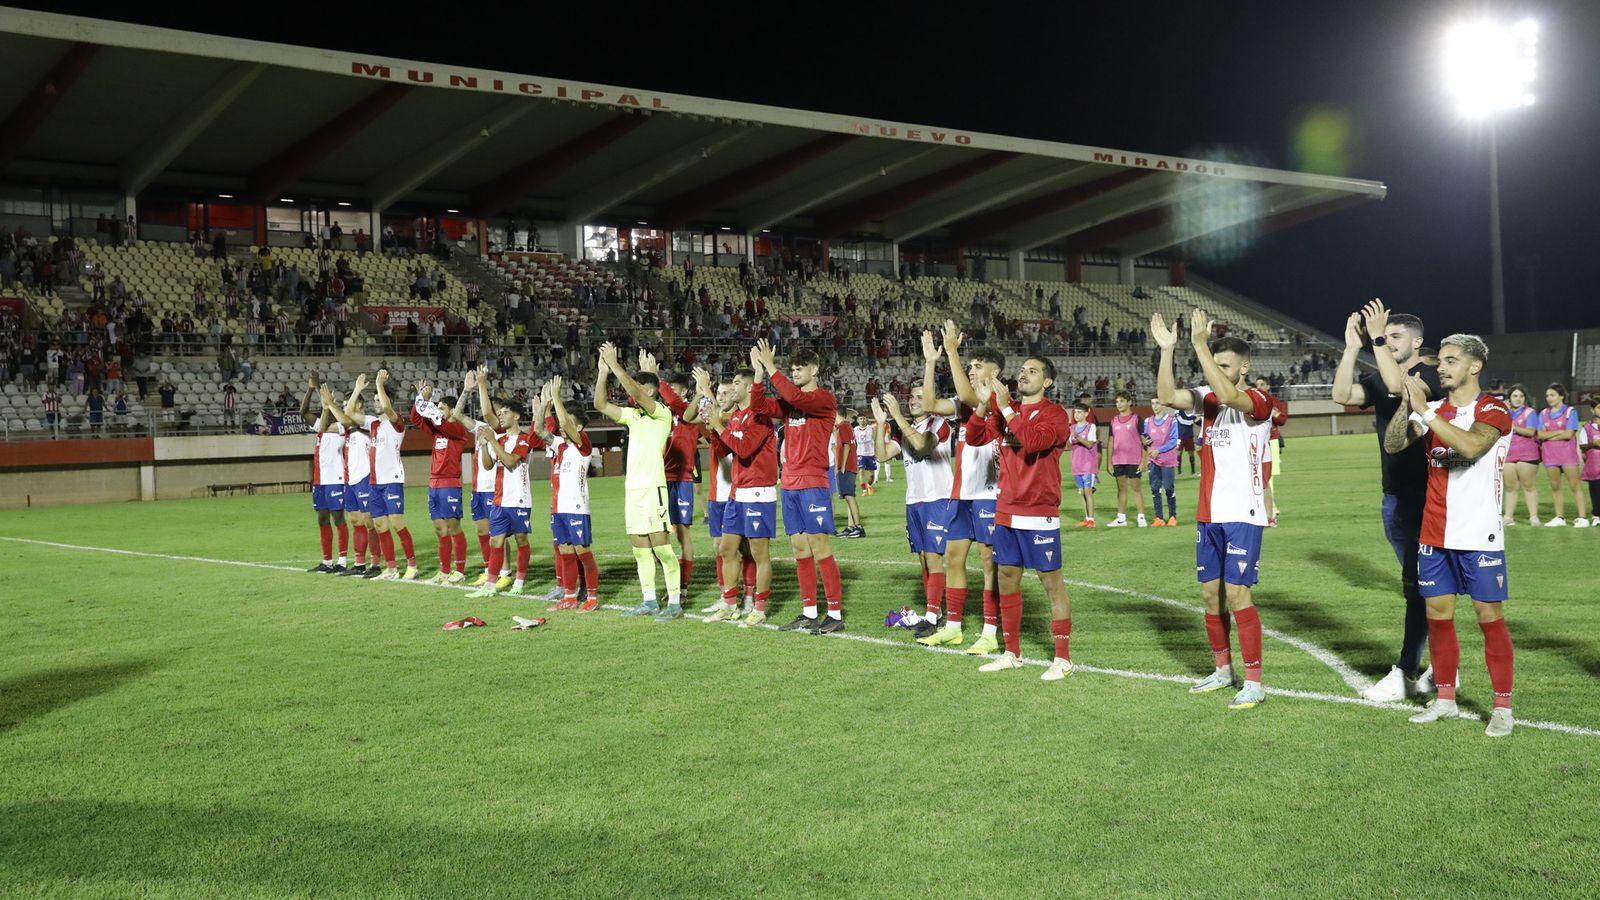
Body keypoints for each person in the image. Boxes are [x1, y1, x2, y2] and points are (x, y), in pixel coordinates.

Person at [1381, 335, 1516, 737]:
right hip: (1434, 532)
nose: (1441, 367)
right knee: (1438, 617)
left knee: (1488, 618)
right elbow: (1393, 444)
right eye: (1440, 361)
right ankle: (1444, 701)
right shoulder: (1435, 408)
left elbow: (1472, 446)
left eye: (1451, 361)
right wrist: (1411, 402)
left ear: (1474, 367)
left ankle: (1503, 707)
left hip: (1479, 534)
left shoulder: (1493, 408)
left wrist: (1427, 412)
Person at [1153, 309, 1274, 711]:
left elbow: (1228, 395)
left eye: (1225, 364)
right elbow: (1168, 397)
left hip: (1243, 513)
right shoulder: (1206, 400)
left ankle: (1254, 681)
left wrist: (1201, 345)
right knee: (1210, 596)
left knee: (1239, 595)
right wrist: (1168, 351)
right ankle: (1223, 671)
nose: (1218, 371)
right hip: (1209, 514)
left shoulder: (1259, 400)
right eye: (1214, 363)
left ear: (1245, 365)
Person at [1332, 301, 1442, 703]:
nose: (1390, 341)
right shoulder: (1380, 375)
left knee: (1418, 585)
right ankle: (1443, 666)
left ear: (1418, 341)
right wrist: (1350, 347)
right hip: (1394, 497)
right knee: (1423, 586)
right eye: (1387, 336)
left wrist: (1376, 337)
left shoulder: (1431, 374)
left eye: (1397, 336)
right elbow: (1340, 393)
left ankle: (1406, 671)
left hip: (1428, 495)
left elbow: (1400, 387)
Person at [971, 356, 1076, 681]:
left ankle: (1063, 659)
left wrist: (1005, 410)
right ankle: (1012, 653)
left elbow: (1033, 442)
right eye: (1022, 370)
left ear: (1047, 382)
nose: (1024, 374)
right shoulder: (1007, 409)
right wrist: (981, 405)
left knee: (1051, 584)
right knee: (1006, 579)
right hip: (1006, 511)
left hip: (1039, 513)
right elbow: (975, 438)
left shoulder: (1055, 415)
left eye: (1033, 371)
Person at [750, 340, 846, 633]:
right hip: (789, 483)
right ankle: (808, 611)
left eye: (799, 368)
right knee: (799, 549)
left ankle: (835, 614)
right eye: (791, 369)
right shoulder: (790, 401)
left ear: (814, 370)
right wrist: (758, 375)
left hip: (814, 482)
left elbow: (792, 395)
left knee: (819, 547)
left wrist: (771, 368)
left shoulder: (824, 399)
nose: (794, 373)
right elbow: (758, 407)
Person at [922, 321, 1003, 650]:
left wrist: (953, 352)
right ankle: (954, 626)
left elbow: (971, 394)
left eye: (978, 365)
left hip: (990, 492)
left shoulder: (999, 396)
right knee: (953, 558)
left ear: (995, 372)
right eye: (969, 365)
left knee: (988, 562)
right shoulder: (966, 403)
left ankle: (989, 633)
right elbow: (929, 404)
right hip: (962, 493)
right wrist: (931, 364)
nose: (971, 370)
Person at [594, 341, 682, 620]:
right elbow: (599, 404)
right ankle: (649, 601)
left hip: (653, 488)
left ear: (654, 391)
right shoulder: (633, 417)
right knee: (640, 549)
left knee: (662, 548)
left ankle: (675, 604)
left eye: (644, 387)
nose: (637, 392)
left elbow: (634, 391)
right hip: (632, 490)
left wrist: (616, 365)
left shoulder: (661, 414)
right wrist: (602, 373)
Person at [872, 387, 954, 641]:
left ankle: (931, 618)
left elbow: (922, 446)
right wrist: (881, 423)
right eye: (912, 397)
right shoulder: (904, 429)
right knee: (923, 558)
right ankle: (936, 611)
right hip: (914, 501)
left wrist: (897, 417)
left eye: (920, 396)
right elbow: (882, 455)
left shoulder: (940, 423)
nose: (914, 400)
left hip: (938, 499)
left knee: (934, 557)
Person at [703, 366, 777, 627]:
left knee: (759, 554)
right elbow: (726, 449)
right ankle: (730, 604)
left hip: (758, 492)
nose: (731, 388)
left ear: (748, 388)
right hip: (737, 492)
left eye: (735, 383)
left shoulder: (760, 417)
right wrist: (714, 428)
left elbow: (744, 449)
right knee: (726, 548)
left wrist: (717, 425)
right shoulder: (734, 418)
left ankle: (759, 608)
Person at [468, 394, 542, 598]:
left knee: (521, 539)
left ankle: (519, 581)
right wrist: (484, 445)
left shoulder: (524, 439)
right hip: (499, 499)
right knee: (496, 541)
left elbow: (510, 461)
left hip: (519, 498)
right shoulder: (498, 439)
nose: (500, 416)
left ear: (517, 416)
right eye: (499, 413)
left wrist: (492, 441)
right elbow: (488, 465)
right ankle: (490, 585)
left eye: (505, 412)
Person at [534, 376, 599, 612]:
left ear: (579, 427)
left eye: (569, 423)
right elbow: (539, 430)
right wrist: (544, 404)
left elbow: (567, 425)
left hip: (576, 508)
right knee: (566, 553)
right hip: (558, 508)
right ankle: (570, 597)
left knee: (583, 552)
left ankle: (591, 597)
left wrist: (558, 399)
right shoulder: (559, 445)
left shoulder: (584, 445)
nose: (563, 425)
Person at [410, 375, 475, 585]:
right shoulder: (438, 430)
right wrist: (420, 398)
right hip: (434, 484)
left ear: (451, 411)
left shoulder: (456, 429)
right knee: (440, 529)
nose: (439, 411)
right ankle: (444, 571)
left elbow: (435, 417)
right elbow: (416, 418)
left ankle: (460, 570)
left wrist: (427, 401)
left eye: (442, 408)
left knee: (454, 527)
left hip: (450, 483)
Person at [652, 363, 702, 599]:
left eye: (671, 389)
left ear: (682, 392)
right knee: (657, 537)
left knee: (683, 534)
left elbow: (671, 400)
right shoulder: (662, 412)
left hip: (681, 479)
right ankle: (672, 581)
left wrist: (656, 376)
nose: (666, 392)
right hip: (660, 479)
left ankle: (683, 587)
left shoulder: (687, 411)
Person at [365, 369, 419, 581]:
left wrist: (380, 384)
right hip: (374, 482)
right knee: (380, 525)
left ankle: (412, 566)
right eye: (375, 399)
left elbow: (387, 408)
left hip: (392, 481)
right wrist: (359, 389)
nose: (376, 402)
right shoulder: (374, 424)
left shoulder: (397, 423)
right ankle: (390, 569)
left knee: (397, 523)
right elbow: (350, 414)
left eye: (379, 399)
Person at [328, 377, 377, 578]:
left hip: (366, 478)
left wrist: (354, 390)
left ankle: (375, 563)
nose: (345, 408)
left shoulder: (370, 423)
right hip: (350, 480)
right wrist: (326, 407)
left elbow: (347, 417)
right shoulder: (347, 428)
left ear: (357, 405)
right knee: (356, 521)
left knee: (370, 522)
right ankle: (359, 563)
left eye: (348, 404)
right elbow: (324, 427)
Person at [303, 379, 349, 573]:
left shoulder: (340, 427)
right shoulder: (320, 428)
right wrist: (310, 389)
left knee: (338, 518)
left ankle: (343, 561)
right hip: (320, 481)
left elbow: (323, 426)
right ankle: (327, 561)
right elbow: (303, 413)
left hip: (336, 480)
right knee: (322, 519)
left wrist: (327, 407)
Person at [1536, 384, 1590, 527]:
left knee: (1575, 485)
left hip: (1567, 455)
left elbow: (1569, 434)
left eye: (1552, 395)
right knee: (1555, 486)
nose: (1549, 398)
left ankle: (1583, 517)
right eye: (1547, 396)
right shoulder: (1543, 413)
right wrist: (1559, 433)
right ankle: (1559, 517)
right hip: (1549, 455)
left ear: (1561, 396)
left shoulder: (1570, 412)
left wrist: (1549, 436)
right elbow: (1540, 434)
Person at [1105, 391, 1149, 528]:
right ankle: (1121, 518)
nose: (1119, 404)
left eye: (1122, 401)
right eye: (1117, 401)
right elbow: (1111, 441)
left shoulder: (1137, 419)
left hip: (1134, 460)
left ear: (1129, 402)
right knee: (1121, 489)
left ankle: (1141, 517)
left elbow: (1145, 441)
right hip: (1118, 460)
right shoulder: (1113, 421)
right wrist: (1109, 462)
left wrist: (1143, 461)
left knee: (1136, 488)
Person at [1501, 385, 1542, 526]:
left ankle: (1534, 517)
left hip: (1527, 454)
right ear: (1509, 398)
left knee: (1528, 485)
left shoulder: (1529, 412)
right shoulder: (1504, 413)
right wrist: (1504, 414)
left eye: (1521, 396)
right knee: (1510, 487)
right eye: (1515, 396)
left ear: (1525, 398)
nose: (1518, 399)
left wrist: (1511, 425)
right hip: (1508, 454)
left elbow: (1531, 431)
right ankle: (1508, 517)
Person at [1255, 377, 1289, 524]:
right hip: (1258, 442)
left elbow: (1282, 420)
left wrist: (1275, 414)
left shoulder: (1274, 401)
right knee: (1263, 478)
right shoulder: (1253, 399)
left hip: (1271, 440)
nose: (1259, 386)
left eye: (1262, 384)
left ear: (1268, 386)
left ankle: (1271, 509)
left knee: (1269, 477)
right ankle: (1269, 509)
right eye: (1257, 384)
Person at [1144, 397, 1180, 526]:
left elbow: (1173, 440)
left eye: (1157, 403)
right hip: (1152, 459)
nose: (1154, 406)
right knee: (1155, 489)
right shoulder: (1148, 421)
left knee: (1169, 488)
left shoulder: (1171, 420)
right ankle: (1158, 518)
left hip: (1167, 460)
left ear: (1163, 404)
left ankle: (1172, 516)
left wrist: (1159, 450)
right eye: (1152, 403)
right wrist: (1146, 440)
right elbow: (1145, 436)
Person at [834, 409, 864, 537]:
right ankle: (851, 526)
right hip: (850, 466)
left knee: (849, 496)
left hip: (846, 467)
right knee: (848, 496)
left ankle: (858, 527)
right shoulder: (847, 426)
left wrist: (843, 466)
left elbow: (846, 446)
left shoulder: (843, 426)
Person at [1069, 404, 1098, 528]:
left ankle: (1091, 519)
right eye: (1076, 412)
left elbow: (1090, 444)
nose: (1077, 415)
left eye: (1080, 412)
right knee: (1082, 492)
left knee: (1088, 491)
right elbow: (1070, 443)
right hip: (1077, 464)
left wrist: (1078, 437)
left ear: (1086, 413)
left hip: (1088, 465)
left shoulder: (1091, 427)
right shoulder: (1072, 427)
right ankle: (1086, 518)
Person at [1580, 402, 1600, 528]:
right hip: (1594, 465)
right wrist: (1593, 444)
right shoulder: (1587, 427)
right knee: (1596, 491)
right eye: (1599, 407)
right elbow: (1582, 445)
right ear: (1593, 410)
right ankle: (1597, 516)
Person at [854, 412, 878, 495]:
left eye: (864, 418)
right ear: (857, 420)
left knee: (871, 474)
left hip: (870, 453)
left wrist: (875, 432)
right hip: (860, 453)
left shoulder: (871, 428)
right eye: (861, 419)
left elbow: (875, 439)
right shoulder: (855, 430)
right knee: (861, 471)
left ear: (866, 419)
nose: (862, 420)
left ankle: (869, 485)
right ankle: (864, 491)